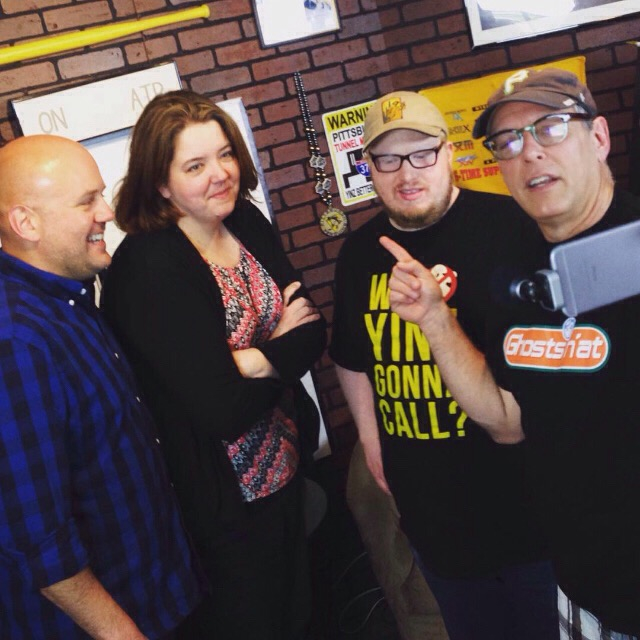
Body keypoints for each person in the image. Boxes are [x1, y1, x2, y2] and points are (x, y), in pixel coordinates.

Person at [381, 68, 640, 639]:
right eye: (509, 142)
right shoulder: (512, 269)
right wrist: (432, 319)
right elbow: (505, 419)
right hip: (583, 592)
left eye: (550, 128)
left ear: (598, 137)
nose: (530, 155)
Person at [329, 90, 559, 640]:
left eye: (421, 154)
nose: (406, 174)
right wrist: (371, 439)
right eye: (387, 159)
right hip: (432, 513)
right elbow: (351, 357)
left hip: (525, 507)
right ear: (369, 169)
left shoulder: (512, 228)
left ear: (447, 152)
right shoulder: (360, 254)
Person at [100, 90, 327, 640]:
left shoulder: (244, 221)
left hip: (288, 467)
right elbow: (221, 410)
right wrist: (277, 350)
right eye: (195, 166)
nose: (221, 174)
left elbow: (313, 328)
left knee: (309, 617)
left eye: (225, 155)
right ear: (160, 182)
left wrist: (248, 361)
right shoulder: (148, 267)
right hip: (223, 507)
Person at [0, 134, 203, 639]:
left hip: (156, 594)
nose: (107, 212)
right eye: (86, 200)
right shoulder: (15, 341)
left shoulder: (68, 297)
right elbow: (36, 536)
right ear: (26, 224)